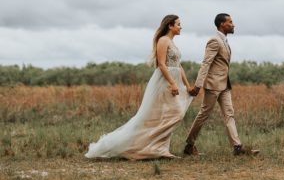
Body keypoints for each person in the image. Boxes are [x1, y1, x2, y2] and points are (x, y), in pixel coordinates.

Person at [85, 14, 193, 160]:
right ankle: (146, 147)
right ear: (170, 26)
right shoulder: (163, 40)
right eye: (178, 24)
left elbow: (179, 66)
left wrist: (187, 86)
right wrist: (172, 83)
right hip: (165, 81)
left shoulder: (173, 43)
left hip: (175, 79)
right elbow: (161, 64)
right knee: (172, 114)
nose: (181, 27)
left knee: (170, 115)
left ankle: (160, 148)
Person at [184, 13, 259, 156]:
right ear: (221, 24)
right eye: (230, 22)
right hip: (213, 84)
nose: (233, 24)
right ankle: (189, 145)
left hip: (225, 85)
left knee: (229, 114)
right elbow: (206, 63)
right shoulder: (215, 41)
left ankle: (237, 147)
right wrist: (198, 85)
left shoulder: (224, 41)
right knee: (203, 115)